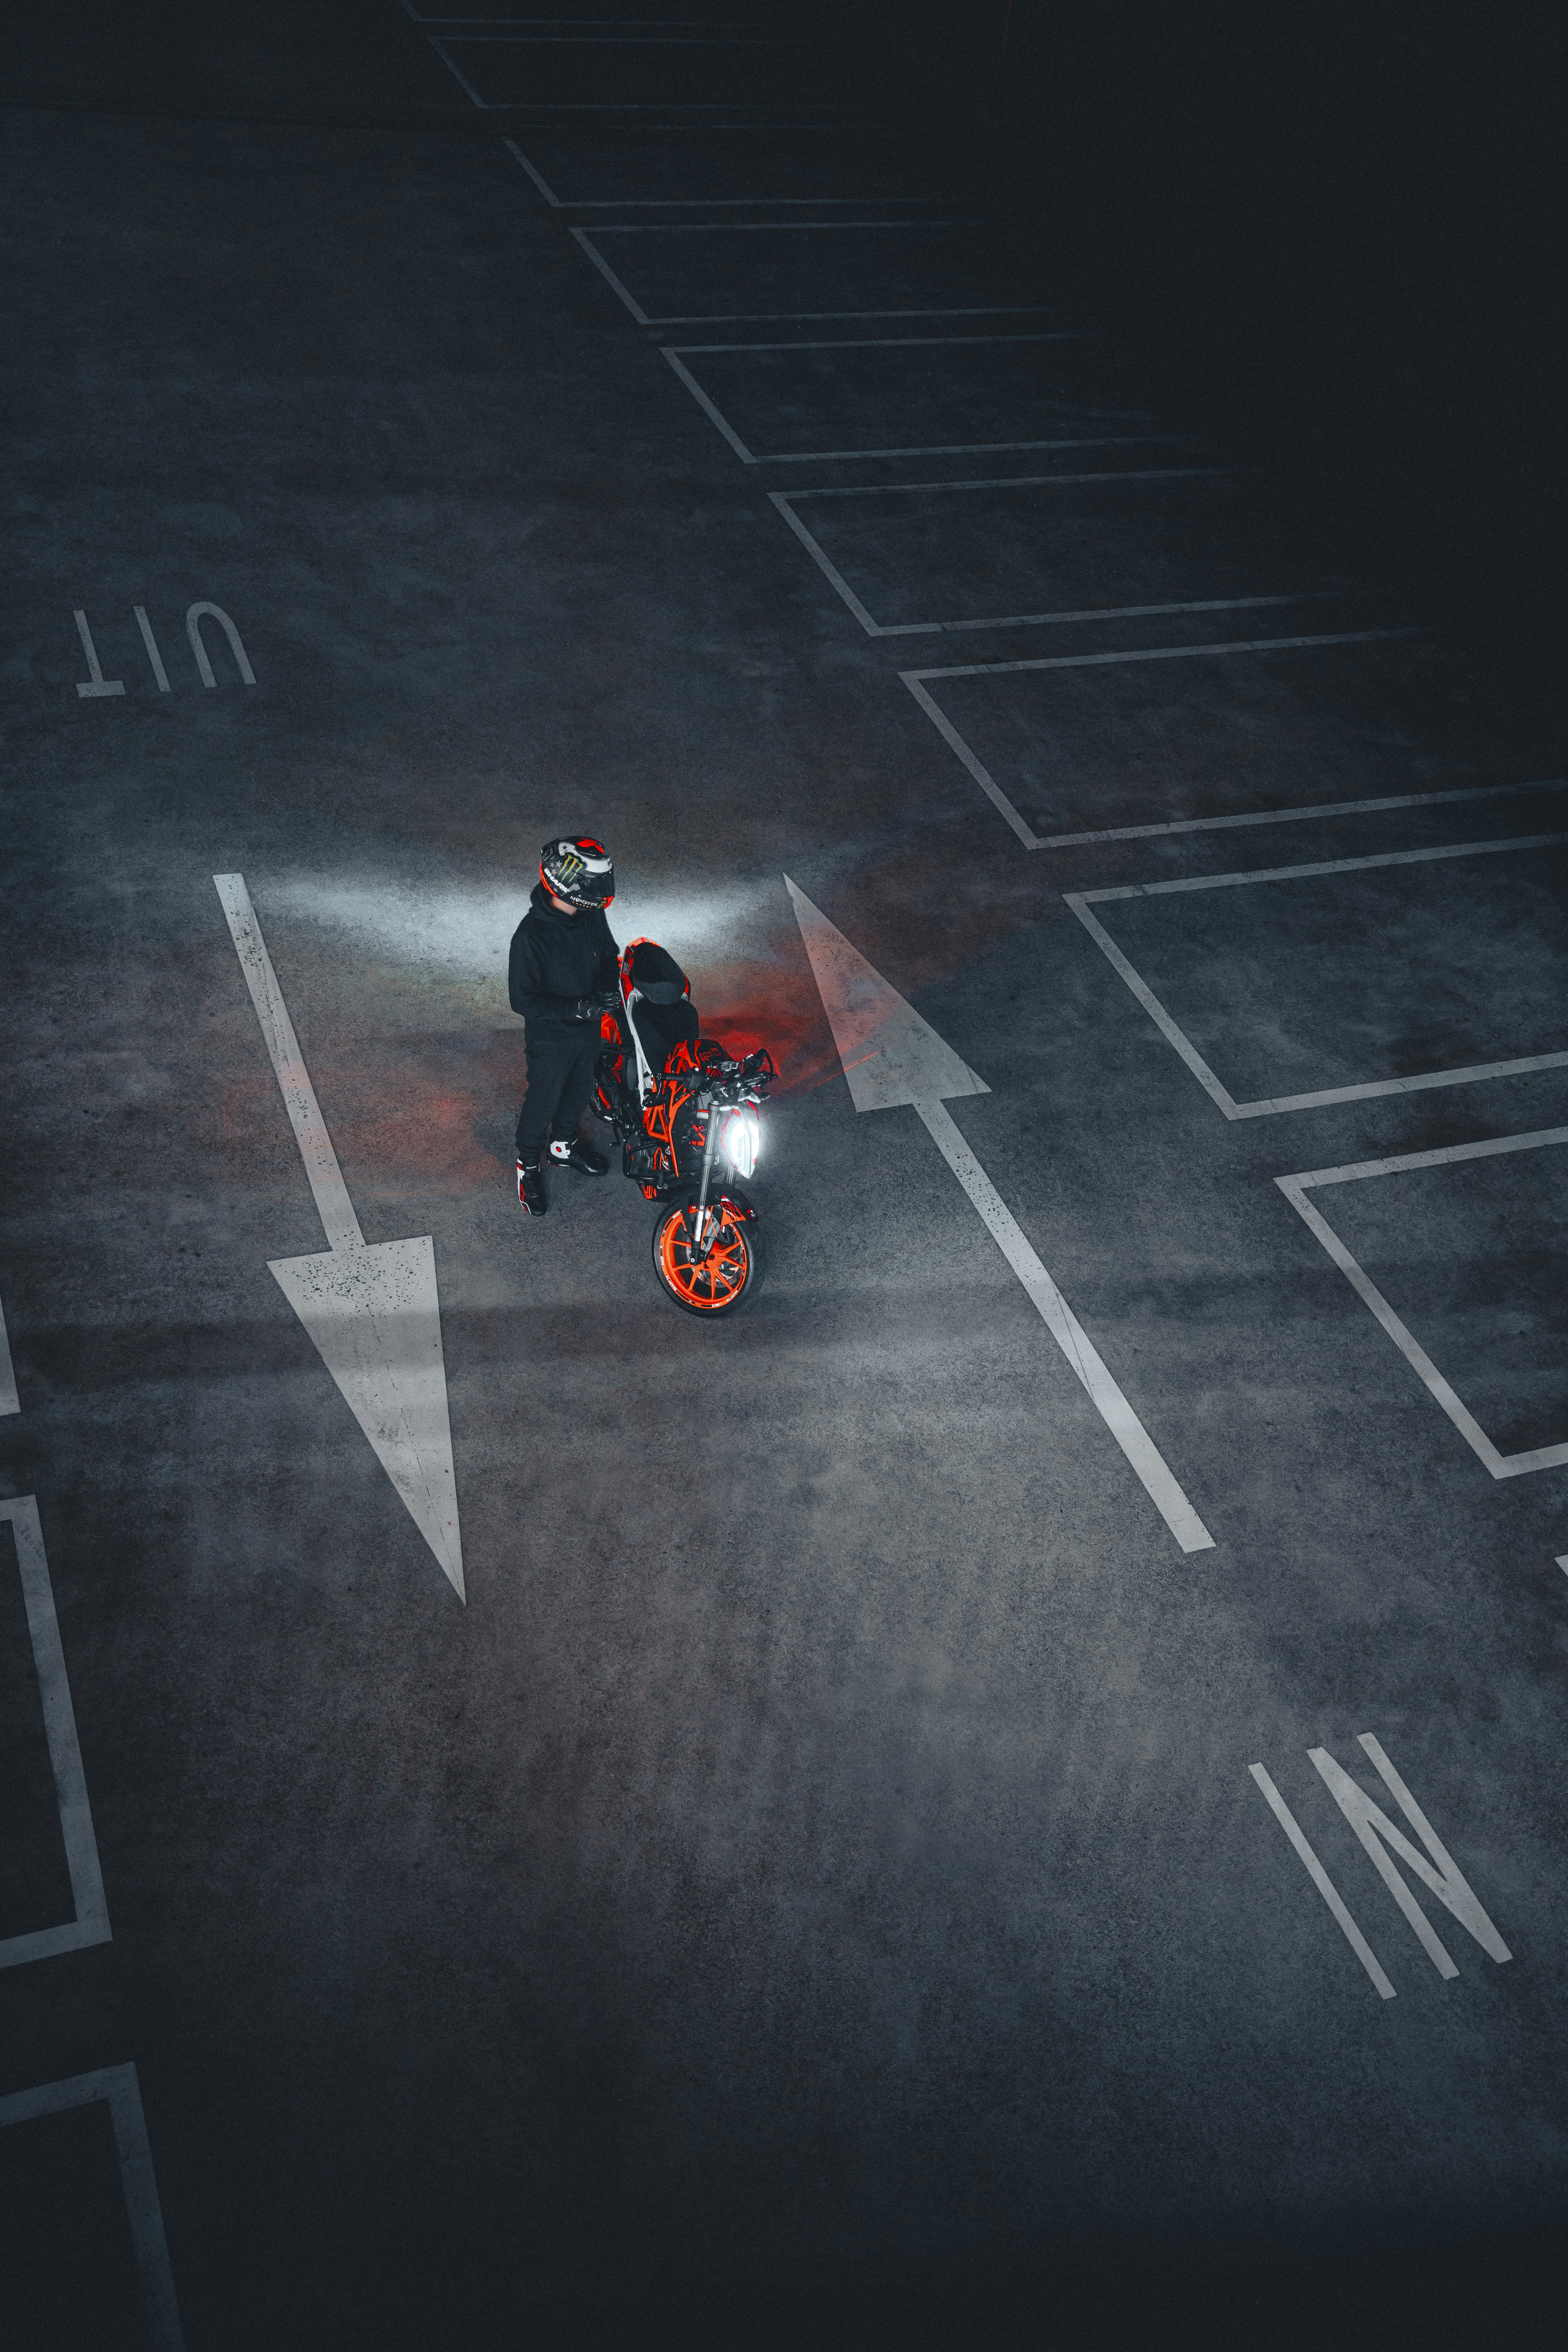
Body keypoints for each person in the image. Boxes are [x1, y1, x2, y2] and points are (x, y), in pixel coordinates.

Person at [508, 836, 619, 1215]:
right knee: (543, 1100)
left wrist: (606, 988)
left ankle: (563, 1146)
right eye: (594, 883)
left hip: (588, 1031)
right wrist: (577, 1009)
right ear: (566, 881)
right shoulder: (530, 938)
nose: (601, 892)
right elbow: (522, 1001)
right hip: (551, 1038)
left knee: (580, 1090)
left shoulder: (591, 915)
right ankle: (528, 1164)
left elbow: (609, 954)